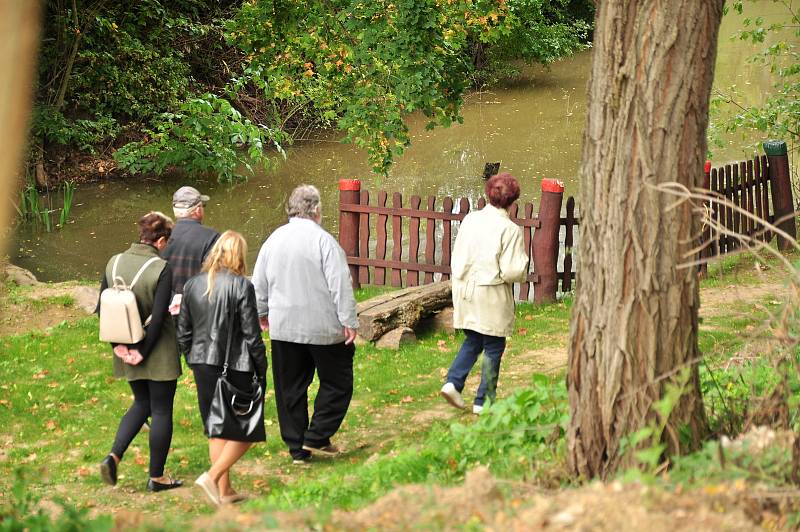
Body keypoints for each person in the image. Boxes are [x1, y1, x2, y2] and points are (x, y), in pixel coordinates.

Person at [252, 184, 358, 464]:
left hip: (285, 327)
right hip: (323, 328)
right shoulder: (323, 241)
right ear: (317, 210)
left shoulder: (273, 240)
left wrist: (261, 312)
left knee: (290, 389)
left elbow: (259, 282)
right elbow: (340, 284)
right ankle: (318, 436)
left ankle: (298, 447)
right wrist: (348, 320)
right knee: (338, 381)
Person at [177, 231, 267, 506]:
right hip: (236, 365)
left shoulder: (192, 285)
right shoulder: (241, 286)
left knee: (216, 426)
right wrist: (261, 368)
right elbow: (252, 334)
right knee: (248, 428)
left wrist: (193, 358)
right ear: (238, 254)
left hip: (202, 364)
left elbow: (183, 332)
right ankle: (213, 476)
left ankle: (225, 492)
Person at [98, 212, 183, 492]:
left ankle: (113, 455)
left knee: (140, 404)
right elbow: (158, 319)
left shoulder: (113, 262)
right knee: (160, 410)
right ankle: (157, 477)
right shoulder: (161, 268)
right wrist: (144, 352)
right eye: (166, 241)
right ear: (160, 240)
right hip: (156, 350)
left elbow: (104, 309)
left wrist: (121, 348)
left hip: (125, 344)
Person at [440, 173, 529, 415]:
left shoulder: (470, 220)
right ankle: (484, 401)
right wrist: (523, 267)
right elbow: (512, 270)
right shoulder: (509, 229)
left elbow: (458, 254)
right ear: (513, 200)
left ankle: (453, 382)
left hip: (465, 289)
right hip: (490, 294)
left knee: (474, 339)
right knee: (493, 345)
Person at [161, 186, 220, 314]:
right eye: (202, 206)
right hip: (199, 309)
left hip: (167, 309)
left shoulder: (161, 238)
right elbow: (215, 275)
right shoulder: (212, 237)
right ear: (198, 210)